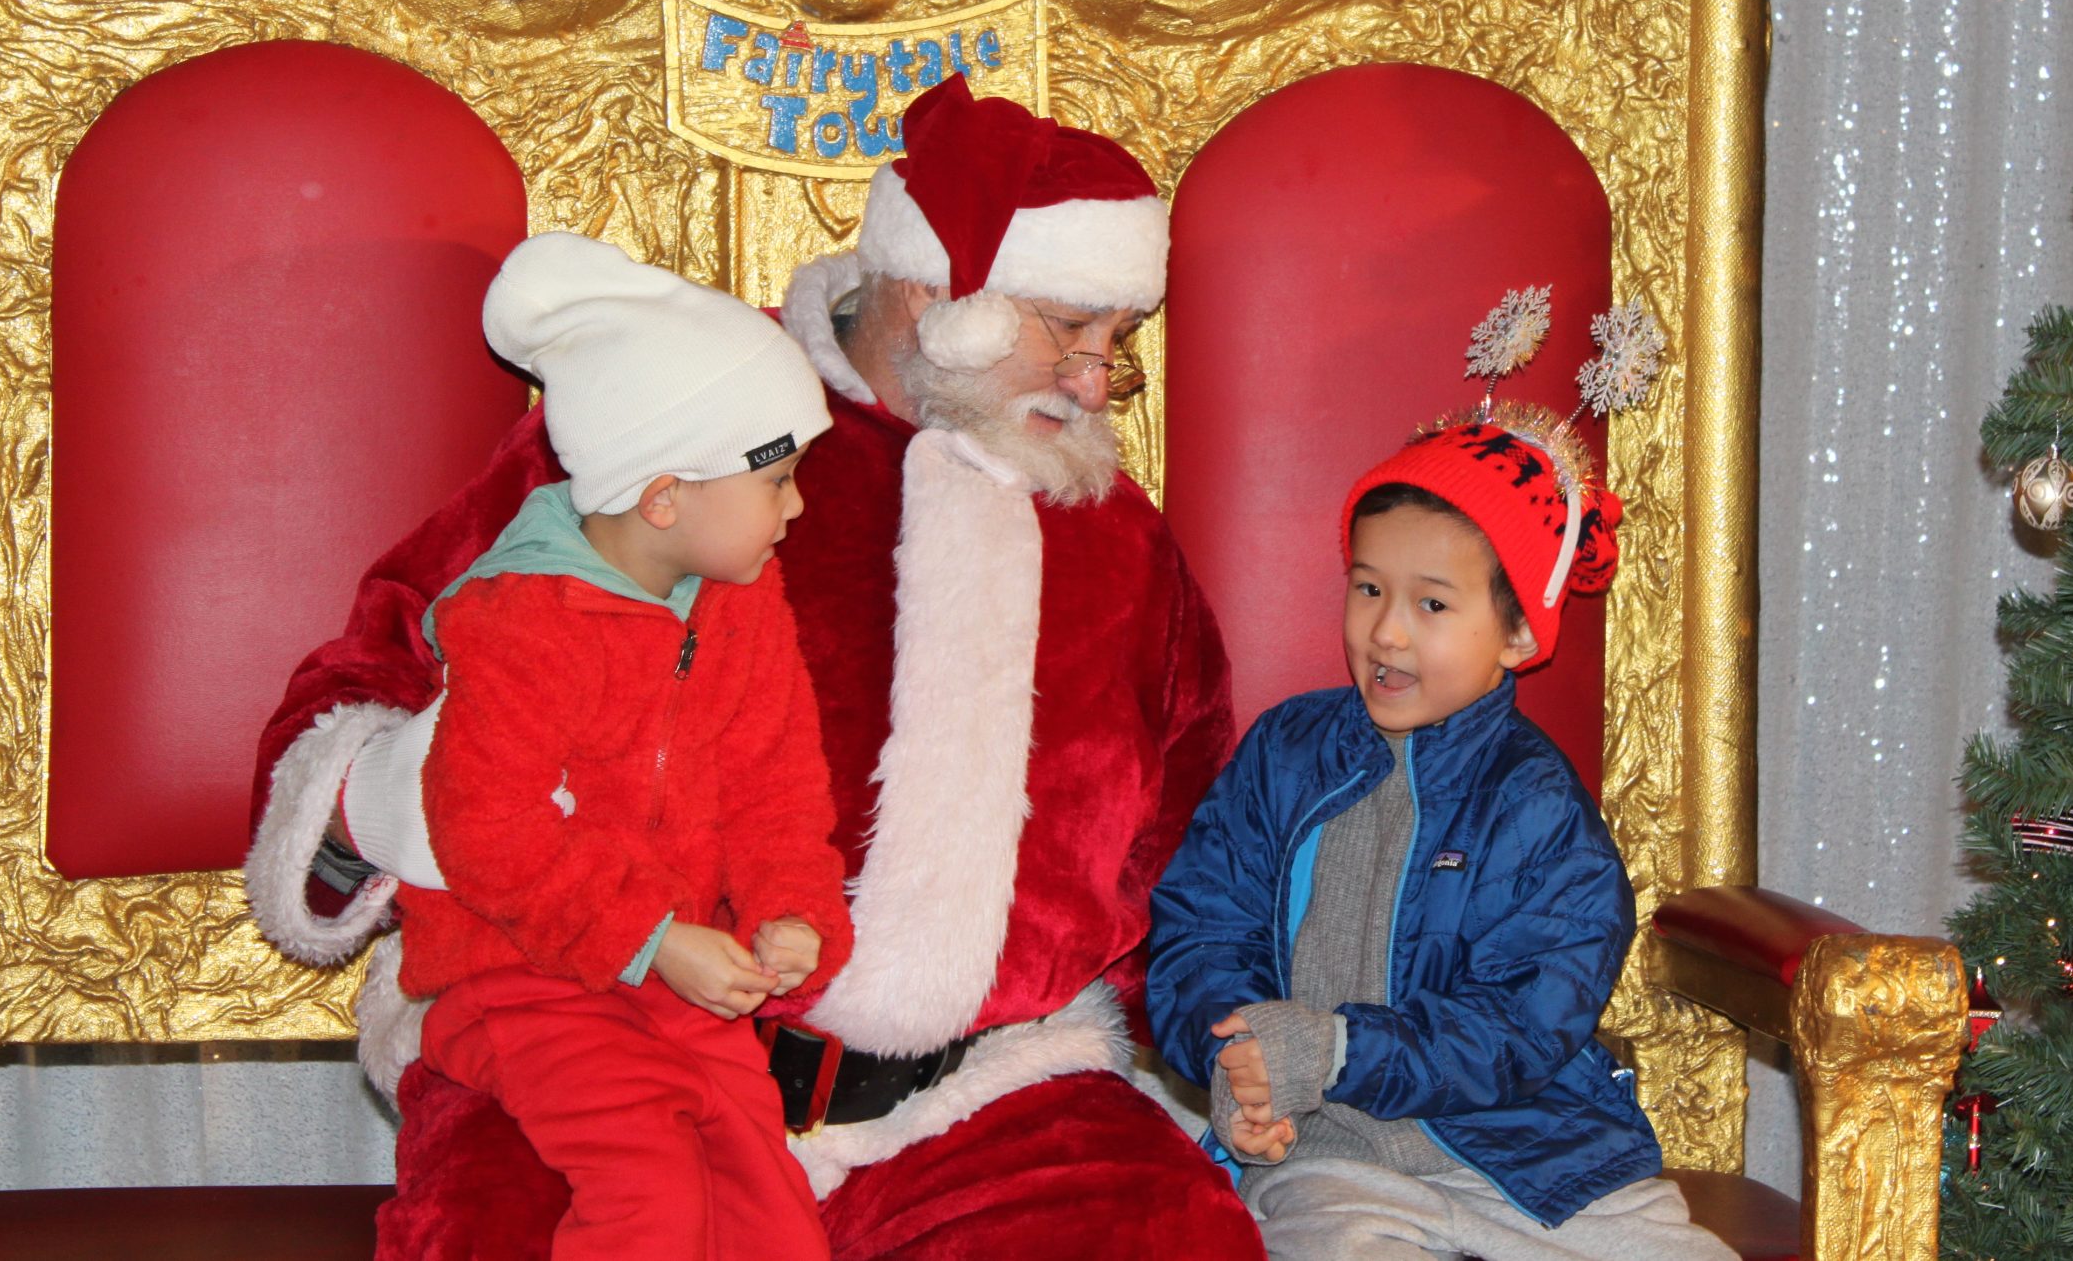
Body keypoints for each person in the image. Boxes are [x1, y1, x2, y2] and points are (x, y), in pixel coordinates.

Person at [245, 74, 1260, 1261]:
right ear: (932, 289)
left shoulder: (1116, 538)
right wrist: (385, 799)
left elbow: (1189, 849)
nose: (1093, 383)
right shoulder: (686, 432)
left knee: (1168, 1237)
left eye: (1116, 344)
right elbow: (375, 678)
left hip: (978, 1102)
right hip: (584, 1034)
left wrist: (1231, 1034)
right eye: (1066, 329)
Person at [1147, 407, 1740, 1261]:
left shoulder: (1537, 804)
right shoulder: (1285, 753)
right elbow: (1202, 926)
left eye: (1431, 602)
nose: (1387, 630)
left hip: (1535, 1155)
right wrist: (1241, 1058)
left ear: (1518, 633)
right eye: (1368, 588)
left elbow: (1523, 1022)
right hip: (1332, 1156)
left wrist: (1338, 1048)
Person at [389, 232, 850, 1261]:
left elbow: (776, 786)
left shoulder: (742, 602)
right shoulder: (520, 621)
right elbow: (483, 831)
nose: (798, 505)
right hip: (518, 973)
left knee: (770, 1208)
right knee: (651, 1189)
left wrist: (789, 912)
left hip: (678, 975)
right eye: (777, 479)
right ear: (663, 495)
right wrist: (651, 937)